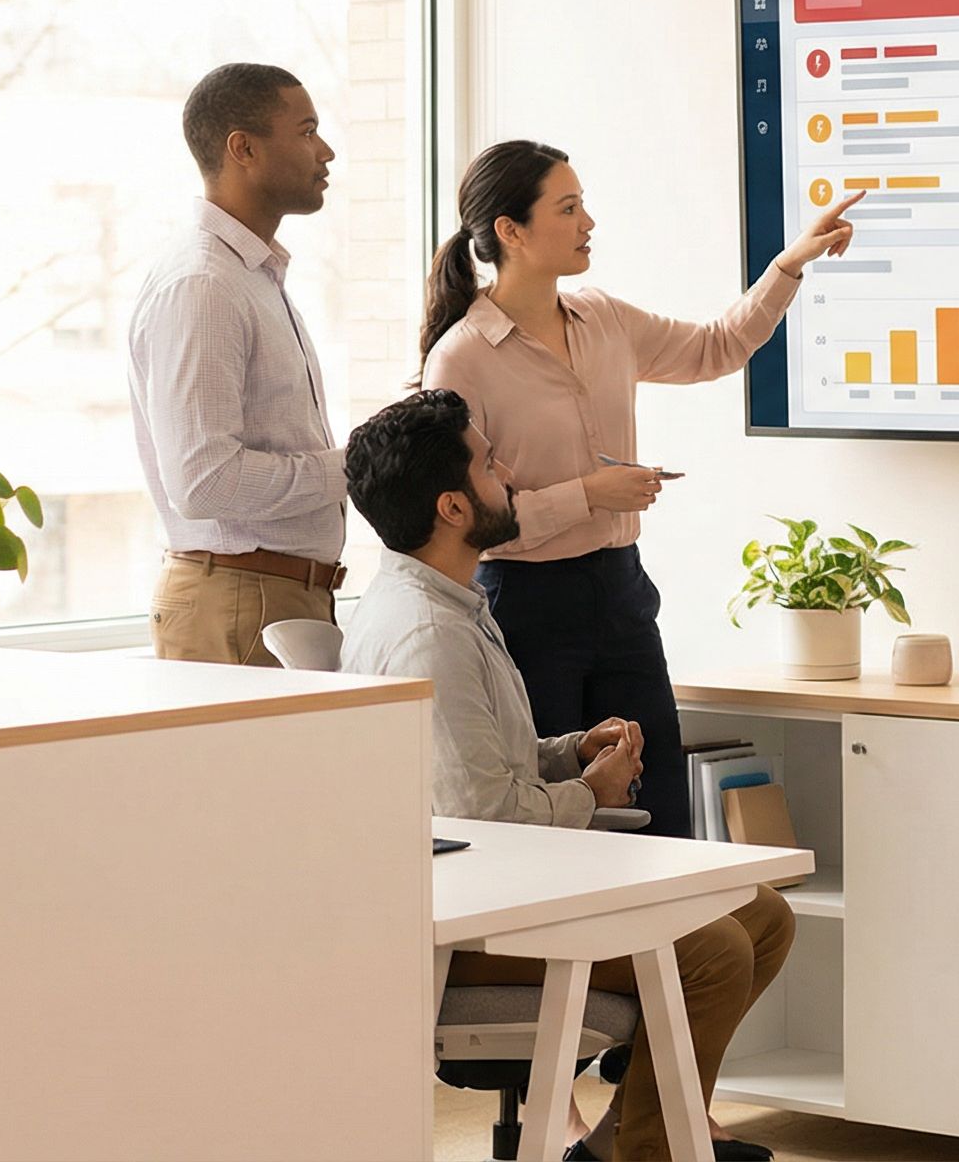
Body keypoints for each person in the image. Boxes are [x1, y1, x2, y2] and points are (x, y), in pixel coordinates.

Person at [340, 389, 792, 1162]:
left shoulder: (453, 602)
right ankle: (649, 1152)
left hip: (502, 892)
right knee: (714, 949)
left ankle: (627, 1143)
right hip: (466, 926)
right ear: (453, 507)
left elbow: (483, 761)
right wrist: (595, 793)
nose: (509, 470)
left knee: (759, 913)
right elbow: (485, 814)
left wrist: (572, 750)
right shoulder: (428, 635)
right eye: (489, 461)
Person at [421, 140, 861, 838]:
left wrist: (788, 265)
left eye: (583, 204)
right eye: (567, 208)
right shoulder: (461, 358)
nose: (587, 221)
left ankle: (674, 949)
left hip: (622, 595)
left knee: (657, 808)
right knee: (556, 823)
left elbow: (719, 345)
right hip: (525, 606)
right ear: (510, 231)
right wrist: (590, 493)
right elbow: (468, 522)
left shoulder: (605, 318)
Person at [126, 61, 347, 666]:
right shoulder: (204, 285)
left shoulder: (248, 277)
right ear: (243, 148)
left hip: (267, 598)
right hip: (241, 602)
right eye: (306, 131)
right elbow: (205, 482)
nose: (325, 151)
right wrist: (353, 469)